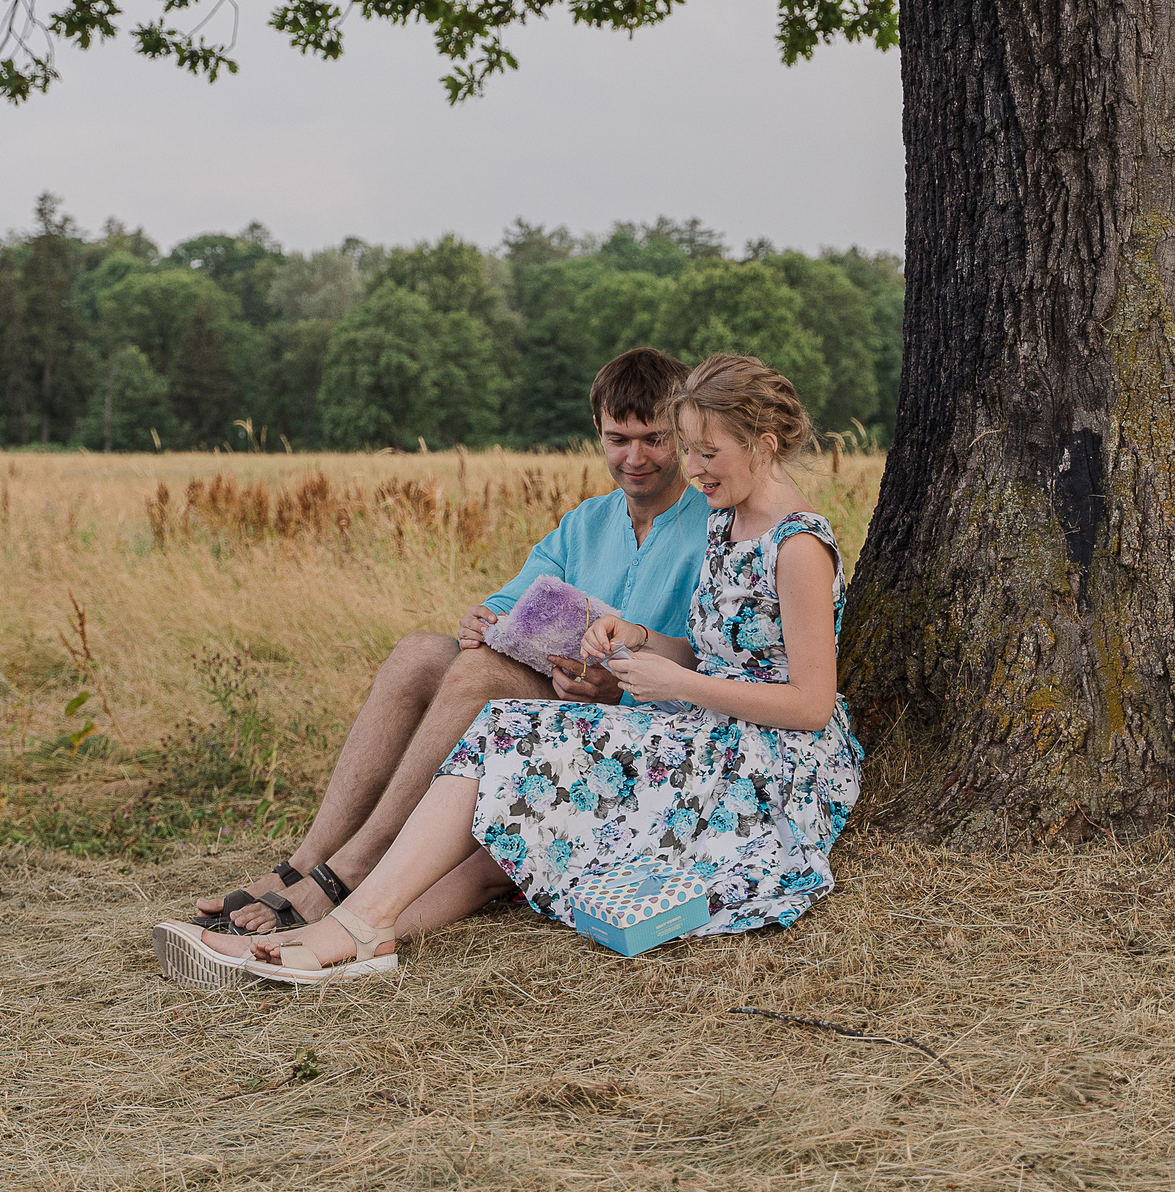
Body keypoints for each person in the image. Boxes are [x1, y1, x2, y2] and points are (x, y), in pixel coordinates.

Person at [156, 353, 861, 984]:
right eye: (691, 450)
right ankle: (342, 921)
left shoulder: (797, 545)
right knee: (480, 711)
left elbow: (810, 704)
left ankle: (350, 917)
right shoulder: (723, 521)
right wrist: (639, 635)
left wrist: (668, 680)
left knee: (504, 740)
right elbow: (702, 650)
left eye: (702, 452)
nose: (689, 466)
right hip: (701, 726)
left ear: (763, 445)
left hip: (765, 759)